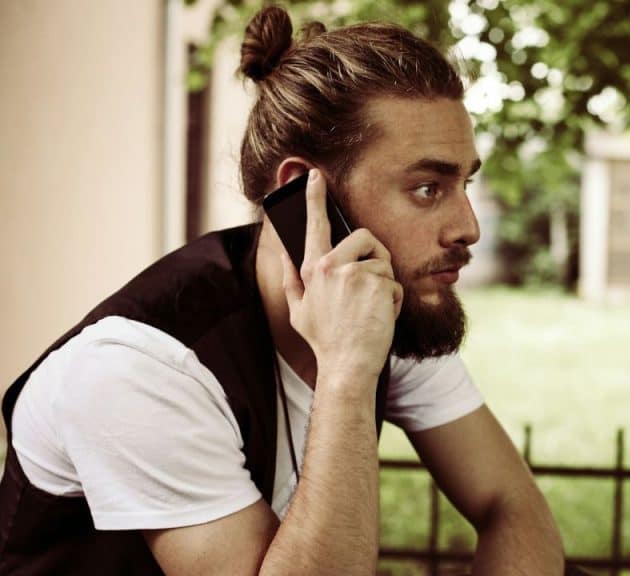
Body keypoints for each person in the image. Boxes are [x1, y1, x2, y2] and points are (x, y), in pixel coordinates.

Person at [0, 6, 568, 574]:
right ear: (303, 192)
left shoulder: (385, 300)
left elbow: (510, 505)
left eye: (463, 182)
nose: (468, 226)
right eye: (426, 188)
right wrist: (346, 374)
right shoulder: (140, 368)